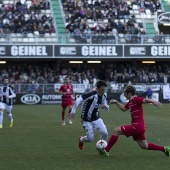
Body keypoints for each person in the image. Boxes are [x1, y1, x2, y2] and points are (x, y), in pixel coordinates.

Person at [97, 85, 170, 156]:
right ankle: (165, 149)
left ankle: (106, 150)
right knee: (144, 146)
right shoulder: (130, 101)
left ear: (129, 93)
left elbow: (144, 100)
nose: (124, 94)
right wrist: (116, 102)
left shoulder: (135, 99)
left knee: (116, 131)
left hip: (137, 127)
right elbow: (124, 109)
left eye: (125, 92)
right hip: (140, 127)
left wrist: (153, 101)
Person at [70, 80, 109, 150]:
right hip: (86, 119)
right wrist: (73, 111)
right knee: (90, 139)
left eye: (104, 90)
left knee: (105, 133)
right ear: (97, 89)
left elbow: (106, 108)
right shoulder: (92, 94)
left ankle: (102, 149)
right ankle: (81, 139)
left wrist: (105, 107)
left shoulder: (104, 96)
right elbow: (79, 99)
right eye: (102, 89)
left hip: (96, 118)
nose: (103, 91)